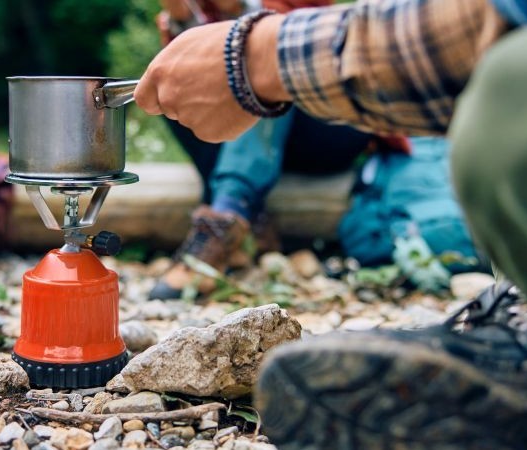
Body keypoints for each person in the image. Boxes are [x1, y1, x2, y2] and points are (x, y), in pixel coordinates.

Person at [135, 0, 527, 448]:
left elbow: (517, 17)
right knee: (189, 89)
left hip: (327, 127)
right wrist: (189, 24)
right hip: (272, 124)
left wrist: (251, 55)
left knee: (524, 84)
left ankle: (229, 216)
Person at [150, 0, 478, 300]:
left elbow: (304, 52)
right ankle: (247, 222)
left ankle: (223, 222)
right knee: (170, 88)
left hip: (332, 123)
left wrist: (241, 22)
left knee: (257, 75)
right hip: (265, 139)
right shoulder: (201, 9)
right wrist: (181, 18)